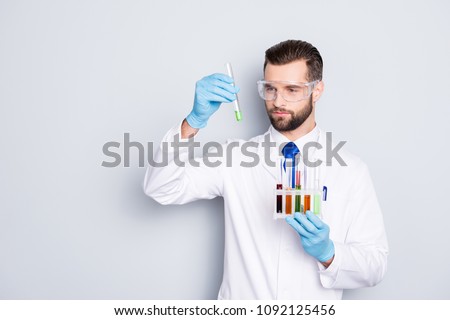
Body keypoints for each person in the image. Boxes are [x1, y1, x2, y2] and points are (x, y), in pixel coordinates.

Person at [143, 40, 388, 299]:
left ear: (317, 91)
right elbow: (161, 187)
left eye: (292, 90)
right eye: (270, 88)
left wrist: (330, 254)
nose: (277, 101)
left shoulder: (350, 170)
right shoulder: (233, 157)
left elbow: (376, 266)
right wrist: (192, 122)